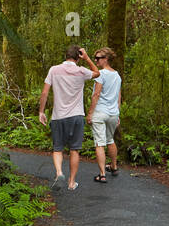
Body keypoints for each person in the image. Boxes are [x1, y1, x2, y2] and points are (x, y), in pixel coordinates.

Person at [37, 45, 100, 190]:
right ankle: (71, 183)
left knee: (57, 148)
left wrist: (41, 112)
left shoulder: (54, 70)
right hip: (76, 116)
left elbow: (45, 93)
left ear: (66, 56)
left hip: (58, 116)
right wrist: (87, 57)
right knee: (74, 150)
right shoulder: (81, 71)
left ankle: (59, 173)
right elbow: (97, 73)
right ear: (78, 57)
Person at [86, 47, 122, 183]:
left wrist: (90, 113)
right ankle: (113, 166)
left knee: (100, 143)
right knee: (110, 140)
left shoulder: (101, 74)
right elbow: (118, 96)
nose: (96, 60)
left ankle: (102, 174)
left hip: (100, 112)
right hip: (113, 113)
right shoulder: (117, 75)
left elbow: (96, 94)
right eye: (94, 58)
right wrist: (117, 113)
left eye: (98, 58)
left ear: (106, 59)